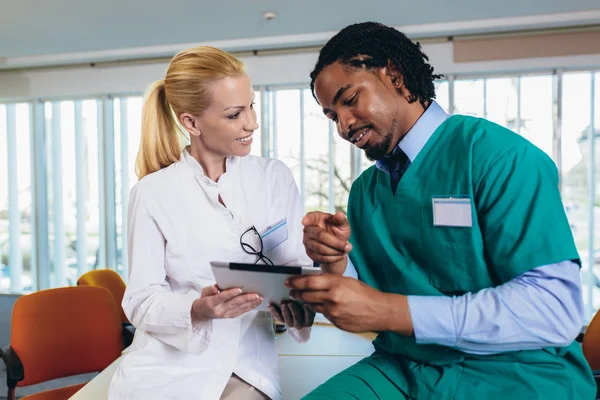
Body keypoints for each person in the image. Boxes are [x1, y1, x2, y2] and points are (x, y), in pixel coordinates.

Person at [287, 22, 596, 399]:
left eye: (349, 99)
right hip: (402, 367)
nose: (344, 125)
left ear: (395, 76)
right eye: (333, 115)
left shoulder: (499, 157)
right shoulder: (365, 193)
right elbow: (363, 300)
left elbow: (554, 310)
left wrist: (391, 312)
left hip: (516, 371)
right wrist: (333, 259)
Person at [108, 46, 315, 400]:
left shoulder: (274, 177)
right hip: (166, 367)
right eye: (235, 114)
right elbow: (141, 300)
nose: (251, 122)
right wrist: (196, 309)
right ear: (190, 123)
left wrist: (300, 304)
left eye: (251, 106)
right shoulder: (152, 192)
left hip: (247, 362)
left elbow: (297, 269)